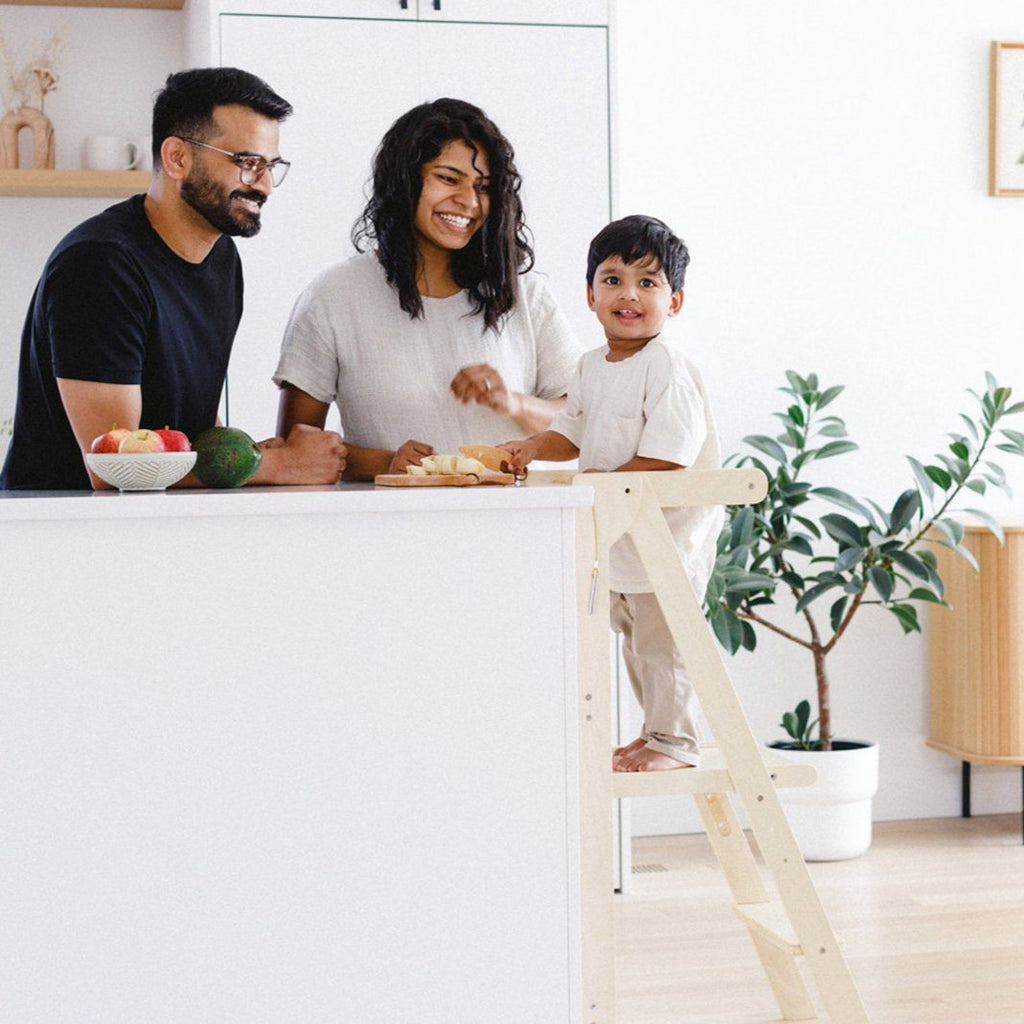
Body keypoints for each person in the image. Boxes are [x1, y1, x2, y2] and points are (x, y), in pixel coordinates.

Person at [0, 67, 346, 491]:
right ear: (177, 157)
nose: (267, 187)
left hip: (156, 523)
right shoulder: (100, 264)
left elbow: (186, 428)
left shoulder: (222, 257)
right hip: (65, 533)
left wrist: (249, 457)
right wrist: (277, 467)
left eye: (272, 166)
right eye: (248, 163)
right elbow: (116, 468)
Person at [500, 215, 723, 772]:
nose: (629, 294)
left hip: (669, 536)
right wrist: (531, 448)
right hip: (622, 535)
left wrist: (598, 483)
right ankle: (657, 733)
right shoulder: (590, 366)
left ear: (674, 302)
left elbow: (669, 455)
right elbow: (569, 434)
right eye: (614, 278)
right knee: (635, 640)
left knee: (663, 641)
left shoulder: (666, 365)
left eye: (649, 283)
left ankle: (677, 743)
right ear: (590, 294)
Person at [273, 97, 582, 478]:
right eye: (448, 178)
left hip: (516, 525)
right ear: (404, 181)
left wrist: (514, 403)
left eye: (483, 187)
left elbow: (580, 422)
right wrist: (384, 463)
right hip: (389, 528)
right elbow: (294, 448)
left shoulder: (527, 296)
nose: (468, 201)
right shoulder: (333, 297)